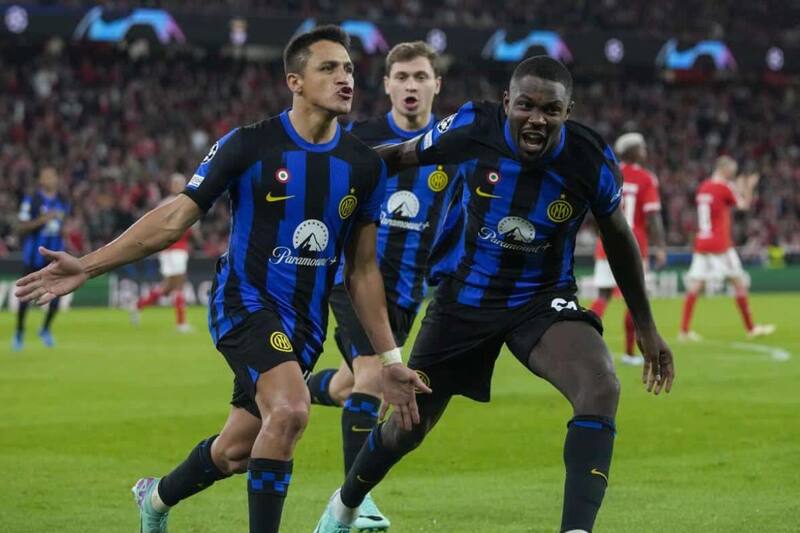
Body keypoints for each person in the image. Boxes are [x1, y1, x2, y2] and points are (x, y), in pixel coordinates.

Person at [15, 25, 428, 533]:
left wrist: (388, 360)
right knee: (293, 410)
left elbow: (363, 270)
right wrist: (90, 263)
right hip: (244, 303)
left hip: (303, 325)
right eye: (328, 68)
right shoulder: (249, 145)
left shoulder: (362, 165)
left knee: (236, 451)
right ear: (293, 81)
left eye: (348, 68)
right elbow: (174, 219)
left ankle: (156, 498)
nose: (345, 78)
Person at [314, 56, 675, 533]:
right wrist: (323, 170)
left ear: (569, 111)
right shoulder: (473, 126)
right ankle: (343, 507)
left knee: (601, 386)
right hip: (465, 299)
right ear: (507, 102)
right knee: (409, 426)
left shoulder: (590, 158)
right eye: (525, 105)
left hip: (541, 299)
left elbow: (619, 237)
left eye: (551, 109)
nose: (536, 119)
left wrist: (646, 327)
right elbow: (403, 155)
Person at [304, 40, 462, 531]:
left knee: (357, 382)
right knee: (373, 377)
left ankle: (307, 388)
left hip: (408, 293)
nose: (411, 86)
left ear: (436, 85)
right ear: (387, 84)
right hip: (352, 279)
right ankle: (355, 503)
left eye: (420, 77)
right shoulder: (361, 139)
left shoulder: (455, 149)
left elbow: (455, 220)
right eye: (402, 77)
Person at [590, 132, 666, 366]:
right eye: (641, 147)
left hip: (606, 243)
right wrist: (660, 246)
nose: (645, 151)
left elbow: (593, 210)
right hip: (633, 246)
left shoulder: (608, 171)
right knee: (634, 299)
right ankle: (629, 353)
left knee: (602, 296)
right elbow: (652, 217)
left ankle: (587, 344)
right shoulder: (646, 178)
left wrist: (601, 235)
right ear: (632, 151)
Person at [679, 155, 775, 340]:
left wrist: (738, 186)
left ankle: (684, 331)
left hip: (703, 241)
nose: (734, 174)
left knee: (695, 287)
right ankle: (751, 329)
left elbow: (721, 200)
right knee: (739, 283)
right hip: (720, 244)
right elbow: (744, 205)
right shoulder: (724, 187)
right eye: (732, 171)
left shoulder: (704, 186)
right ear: (724, 169)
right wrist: (749, 186)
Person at [13, 165, 69, 351]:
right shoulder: (32, 200)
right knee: (25, 295)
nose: (51, 179)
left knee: (58, 293)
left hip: (55, 256)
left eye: (53, 176)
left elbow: (63, 226)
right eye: (47, 176)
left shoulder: (62, 200)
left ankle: (45, 329)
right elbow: (21, 227)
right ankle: (19, 332)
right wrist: (43, 220)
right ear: (41, 180)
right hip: (34, 256)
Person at [130, 173, 195, 332]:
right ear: (171, 185)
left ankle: (138, 305)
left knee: (168, 287)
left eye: (180, 183)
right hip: (173, 248)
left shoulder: (184, 202)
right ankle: (181, 323)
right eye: (176, 183)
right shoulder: (169, 203)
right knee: (179, 283)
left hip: (177, 248)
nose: (178, 186)